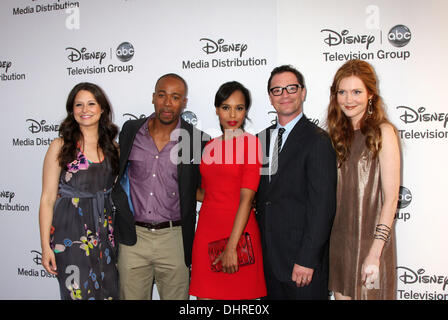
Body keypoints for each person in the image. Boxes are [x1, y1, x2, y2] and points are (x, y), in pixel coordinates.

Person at [111, 73, 209, 300]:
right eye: (162, 95)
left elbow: (201, 188)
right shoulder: (130, 131)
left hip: (175, 239)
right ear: (153, 97)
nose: (167, 103)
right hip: (133, 238)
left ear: (184, 102)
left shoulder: (195, 139)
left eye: (175, 97)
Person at [256, 65, 337, 300]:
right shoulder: (260, 140)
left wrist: (307, 259)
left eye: (291, 88)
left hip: (302, 266)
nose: (285, 95)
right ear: (270, 98)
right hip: (268, 262)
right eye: (277, 90)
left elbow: (323, 207)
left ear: (303, 92)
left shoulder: (318, 141)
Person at [327, 59, 400, 300]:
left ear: (370, 94)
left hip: (371, 245)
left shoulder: (383, 132)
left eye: (357, 91)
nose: (349, 99)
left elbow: (390, 200)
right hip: (339, 243)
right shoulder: (335, 135)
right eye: (343, 92)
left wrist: (375, 253)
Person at [38, 82, 119, 300]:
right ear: (72, 110)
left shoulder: (113, 148)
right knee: (77, 292)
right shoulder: (60, 146)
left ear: (102, 108)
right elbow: (47, 199)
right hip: (70, 233)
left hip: (105, 230)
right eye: (79, 105)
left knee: (109, 291)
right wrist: (45, 247)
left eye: (91, 103)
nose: (85, 110)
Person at [189, 81, 267, 300]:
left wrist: (232, 247)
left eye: (239, 108)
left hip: (239, 235)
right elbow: (206, 192)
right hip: (207, 232)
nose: (232, 114)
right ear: (216, 109)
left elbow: (246, 199)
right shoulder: (209, 146)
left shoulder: (251, 144)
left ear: (246, 111)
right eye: (226, 107)